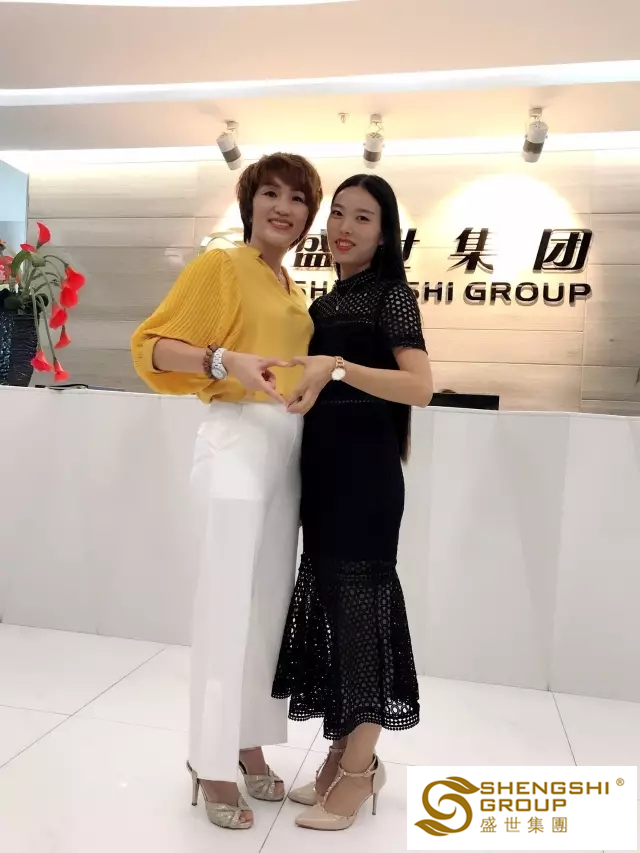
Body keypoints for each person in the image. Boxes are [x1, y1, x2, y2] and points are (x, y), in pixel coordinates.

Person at [131, 153, 323, 831]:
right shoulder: (223, 265)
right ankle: (209, 759)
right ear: (250, 204)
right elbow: (150, 347)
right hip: (236, 439)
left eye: (297, 198)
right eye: (270, 193)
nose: (283, 207)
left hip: (286, 448)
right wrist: (221, 360)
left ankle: (248, 740)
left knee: (268, 607)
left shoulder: (290, 286)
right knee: (225, 606)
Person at [272, 174, 433, 831]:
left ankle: (361, 767)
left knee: (362, 618)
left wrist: (337, 365)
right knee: (338, 617)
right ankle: (342, 754)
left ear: (385, 232)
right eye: (338, 213)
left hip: (366, 479)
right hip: (323, 477)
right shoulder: (329, 299)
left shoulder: (392, 295)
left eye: (362, 217)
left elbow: (420, 387)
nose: (344, 226)